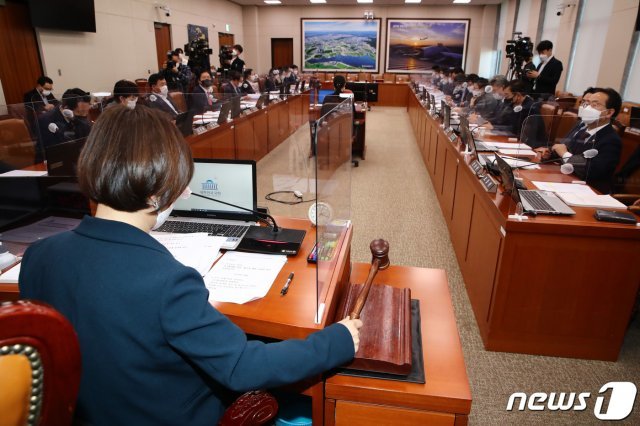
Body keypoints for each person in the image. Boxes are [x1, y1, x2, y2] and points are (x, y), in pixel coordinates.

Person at [19, 105, 362, 425]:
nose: (183, 195)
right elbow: (243, 367)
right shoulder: (168, 281)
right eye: (178, 184)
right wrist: (338, 339)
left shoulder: (39, 255)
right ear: (153, 195)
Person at [538, 88, 623, 193]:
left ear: (609, 112)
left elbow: (592, 171)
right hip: (566, 181)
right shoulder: (583, 129)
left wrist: (564, 154)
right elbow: (566, 149)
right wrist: (550, 153)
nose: (587, 108)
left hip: (588, 191)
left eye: (594, 105)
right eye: (587, 103)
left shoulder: (611, 140)